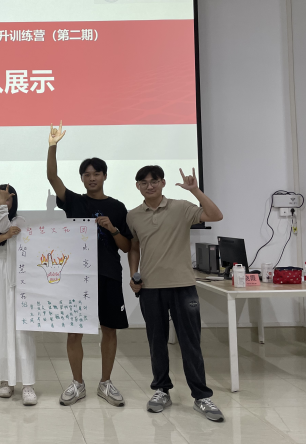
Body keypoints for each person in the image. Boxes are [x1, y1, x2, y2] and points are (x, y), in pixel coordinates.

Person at [127, 166, 225, 422]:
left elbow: (216, 215)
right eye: (144, 182)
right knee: (156, 342)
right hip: (150, 288)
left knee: (190, 342)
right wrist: (134, 274)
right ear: (137, 186)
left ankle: (201, 396)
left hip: (183, 285)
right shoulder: (133, 215)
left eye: (154, 181)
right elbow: (134, 247)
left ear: (163, 183)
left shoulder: (181, 207)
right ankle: (161, 390)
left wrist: (195, 191)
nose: (149, 186)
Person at [46, 122, 132, 407]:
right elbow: (52, 177)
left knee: (109, 330)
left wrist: (113, 229)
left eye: (96, 173)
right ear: (82, 178)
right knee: (75, 331)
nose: (92, 178)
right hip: (77, 277)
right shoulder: (74, 201)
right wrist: (52, 146)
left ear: (105, 176)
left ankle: (105, 383)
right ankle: (77, 384)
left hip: (108, 274)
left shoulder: (118, 207)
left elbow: (126, 246)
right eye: (87, 174)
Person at [0, 184, 38, 406]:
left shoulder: (19, 221)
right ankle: (6, 379)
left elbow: (5, 227)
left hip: (14, 279)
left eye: (6, 199)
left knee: (20, 330)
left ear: (13, 202)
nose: (0, 202)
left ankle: (28, 384)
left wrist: (3, 230)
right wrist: (3, 237)